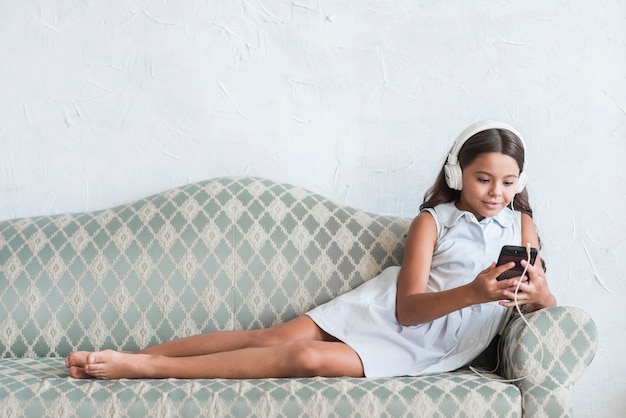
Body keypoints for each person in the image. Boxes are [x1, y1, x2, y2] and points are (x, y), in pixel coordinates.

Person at [65, 120, 556, 380]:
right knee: (269, 339)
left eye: (508, 182)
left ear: (521, 181)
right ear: (457, 174)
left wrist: (538, 295)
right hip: (391, 311)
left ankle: (149, 368)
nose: (496, 192)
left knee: (306, 359)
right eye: (483, 178)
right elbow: (407, 309)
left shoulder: (522, 224)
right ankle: (133, 360)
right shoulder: (432, 221)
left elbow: (544, 304)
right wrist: (474, 291)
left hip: (436, 345)